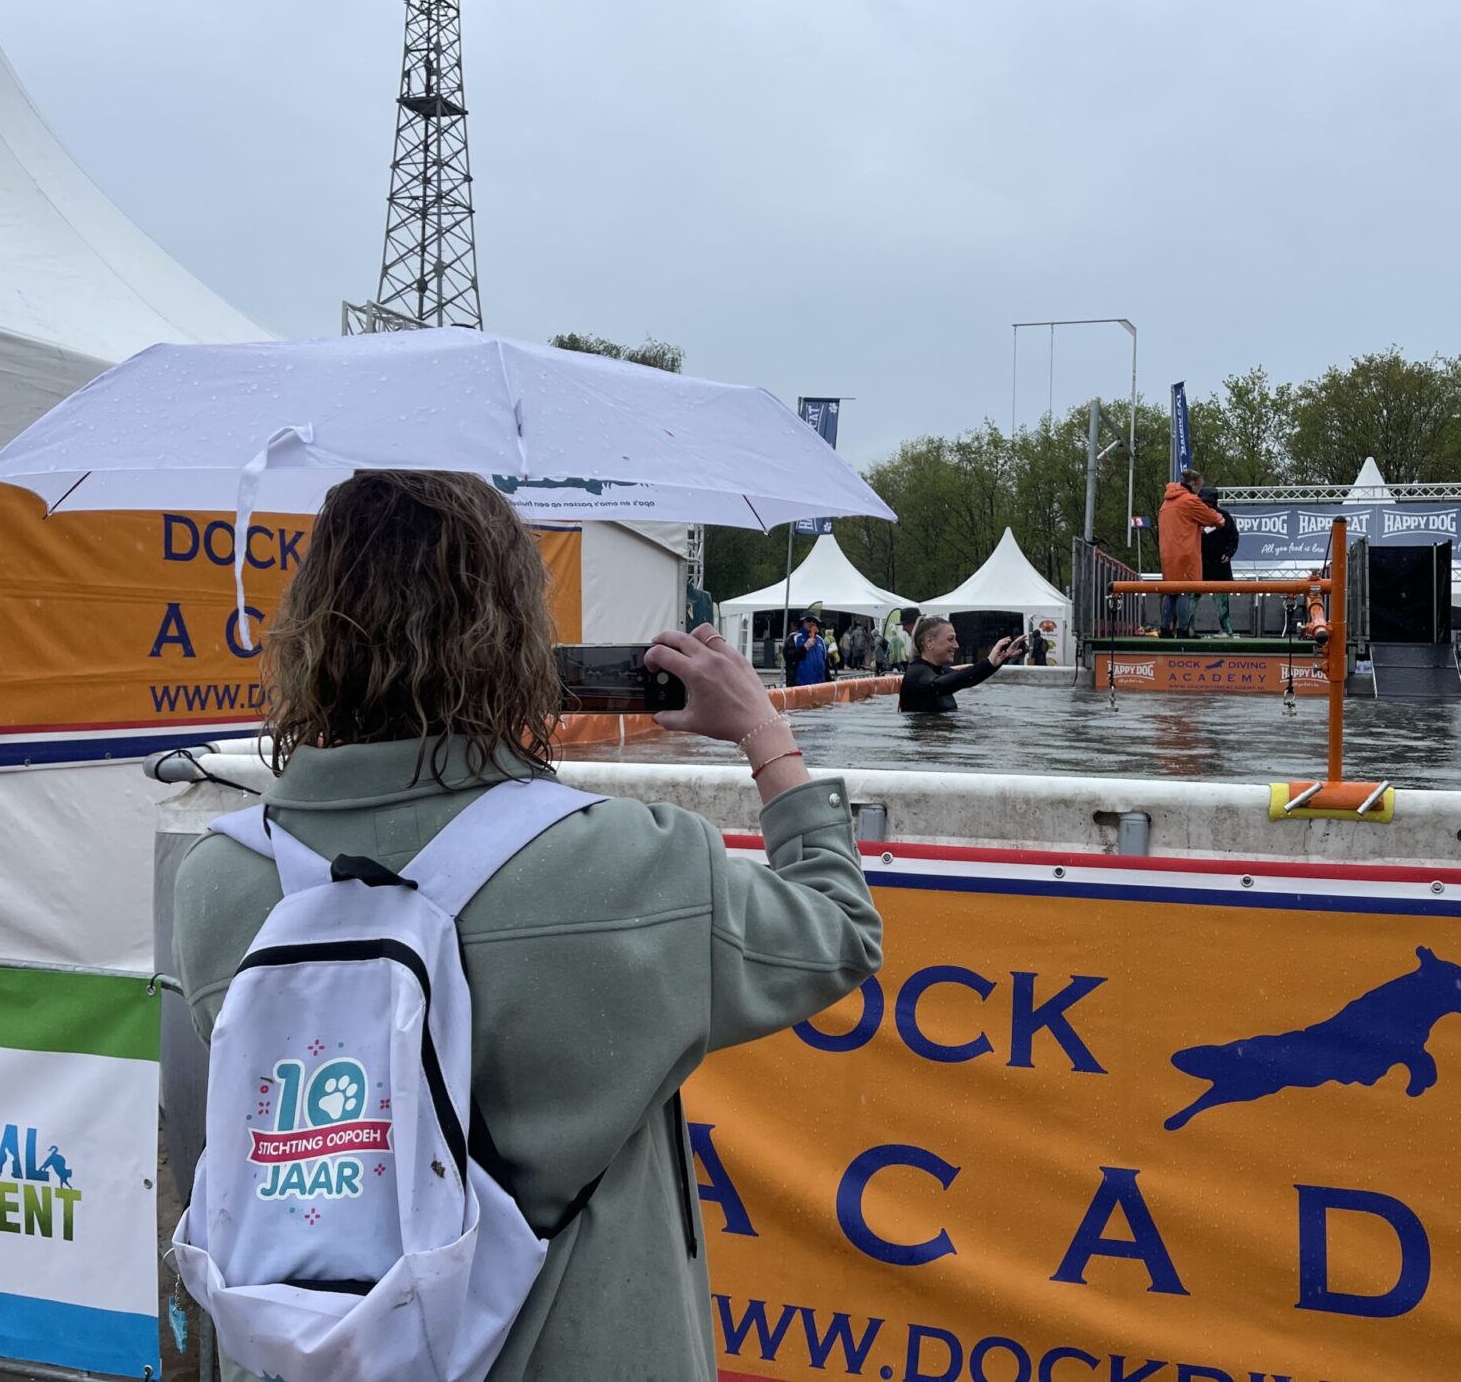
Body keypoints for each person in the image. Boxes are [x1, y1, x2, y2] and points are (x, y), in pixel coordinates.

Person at [171, 470, 880, 1379]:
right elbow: (838, 928)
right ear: (520, 638)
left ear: (307, 631)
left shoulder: (219, 883)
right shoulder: (634, 862)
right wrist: (763, 733)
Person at [898, 615, 1023, 713]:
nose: (956, 646)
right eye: (950, 639)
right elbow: (941, 684)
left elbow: (968, 679)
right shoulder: (916, 673)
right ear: (929, 641)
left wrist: (1001, 658)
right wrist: (988, 662)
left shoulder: (940, 671)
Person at [1158, 469, 1224, 638]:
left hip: (1167, 553)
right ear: (1194, 483)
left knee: (1169, 591)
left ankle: (1164, 629)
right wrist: (1220, 519)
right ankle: (1183, 629)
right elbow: (1213, 518)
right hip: (1185, 552)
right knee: (1184, 591)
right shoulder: (1189, 500)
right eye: (1199, 487)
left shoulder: (1166, 503)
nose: (1199, 492)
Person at [1196, 487, 1237, 638]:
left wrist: (1228, 553)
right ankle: (1187, 628)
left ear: (1214, 502)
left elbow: (1234, 537)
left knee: (1222, 600)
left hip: (1219, 564)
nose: (1206, 505)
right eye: (1203, 502)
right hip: (1199, 564)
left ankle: (1226, 630)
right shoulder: (1195, 516)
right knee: (1192, 597)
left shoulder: (1225, 516)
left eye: (1208, 502)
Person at [788, 613, 829, 686]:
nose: (811, 623)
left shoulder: (820, 640)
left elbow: (825, 665)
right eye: (809, 620)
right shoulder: (794, 638)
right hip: (800, 686)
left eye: (814, 621)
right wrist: (805, 647)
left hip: (819, 685)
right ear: (803, 622)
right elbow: (789, 657)